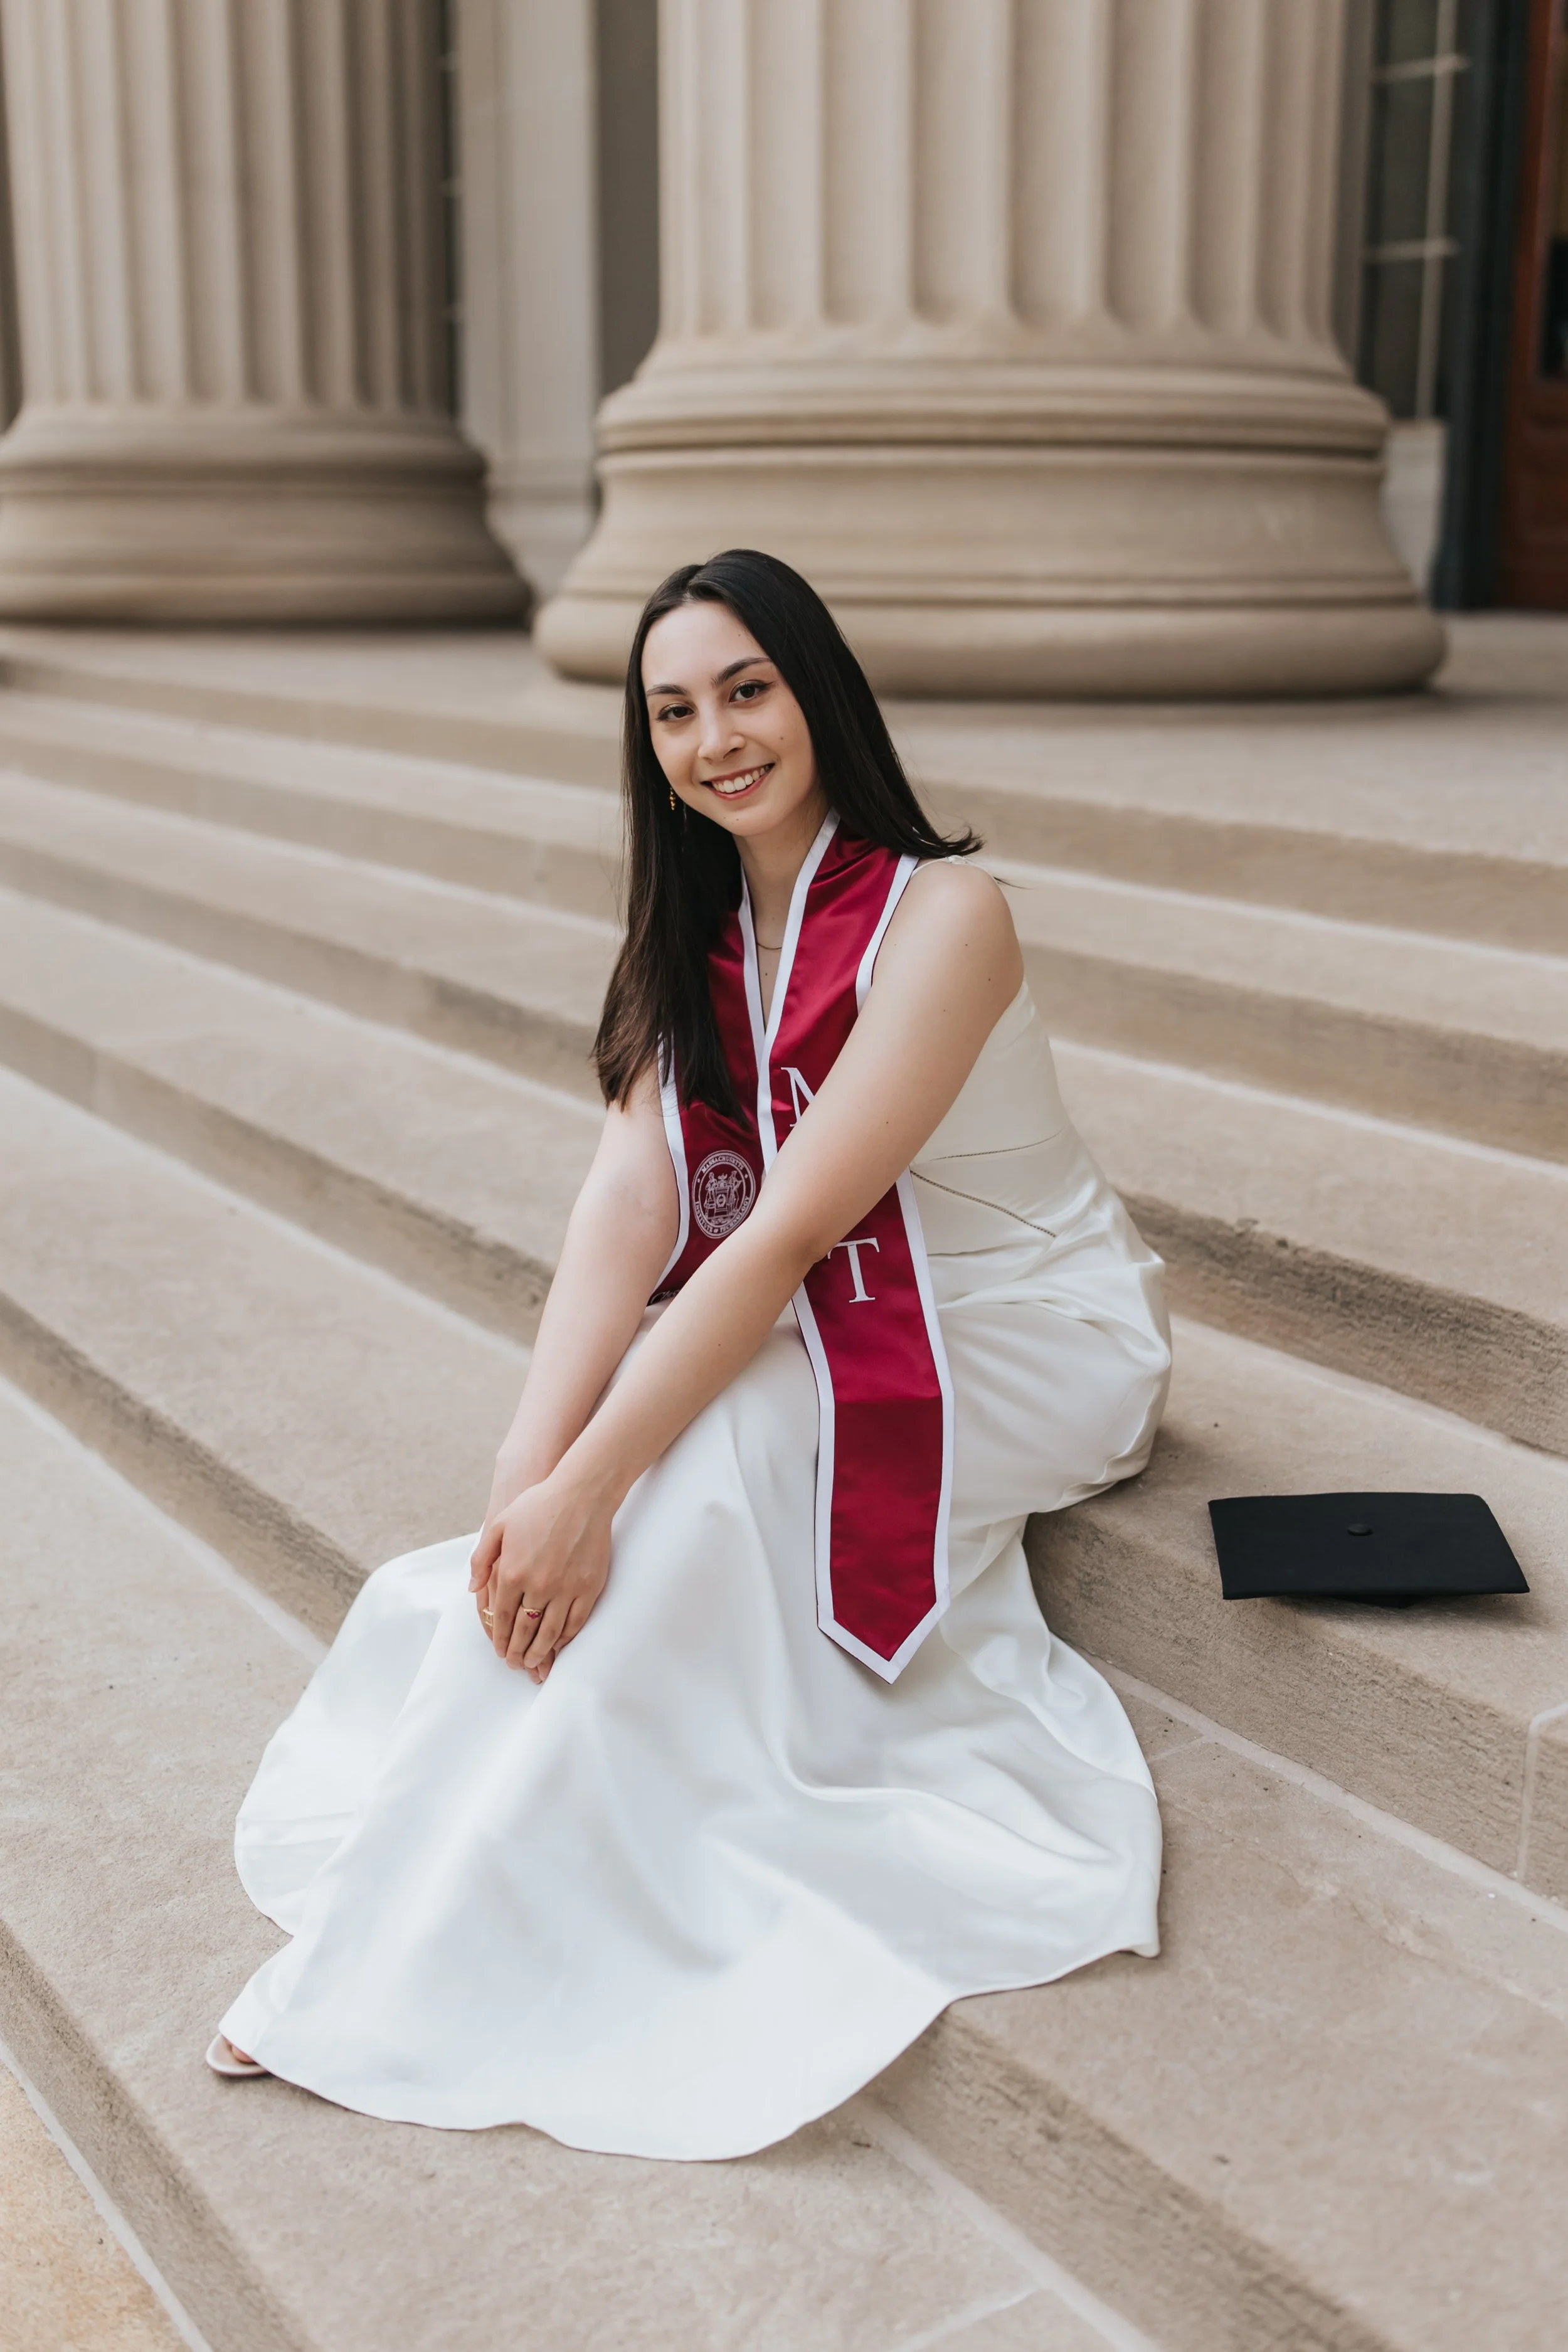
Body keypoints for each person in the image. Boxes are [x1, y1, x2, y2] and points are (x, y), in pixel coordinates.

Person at [208, 550, 1172, 2160]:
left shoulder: (945, 916)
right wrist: (540, 1457)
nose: (714, 737)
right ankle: (405, 1905)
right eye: (671, 711)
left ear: (817, 695)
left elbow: (785, 1233)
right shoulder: (708, 921)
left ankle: (410, 1954)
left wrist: (602, 1476)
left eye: (746, 691)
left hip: (1023, 1327)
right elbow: (629, 1193)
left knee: (695, 1463)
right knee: (619, 1471)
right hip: (833, 1311)